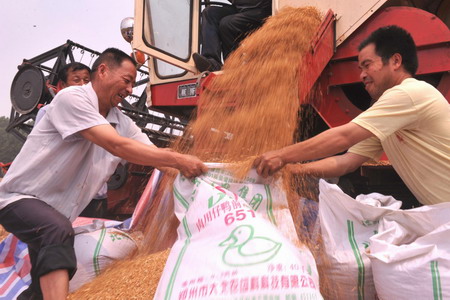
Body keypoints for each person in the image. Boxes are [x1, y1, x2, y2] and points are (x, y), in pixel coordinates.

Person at [0, 48, 207, 300]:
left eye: (133, 82)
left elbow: (155, 157)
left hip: (55, 215)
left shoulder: (122, 122)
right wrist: (178, 158)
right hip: (19, 200)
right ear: (103, 71)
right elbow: (116, 146)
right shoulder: (72, 99)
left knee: (40, 289)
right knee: (57, 232)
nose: (130, 89)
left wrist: (207, 177)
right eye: (127, 80)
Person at [254, 25, 450, 205]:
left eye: (367, 65)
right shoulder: (388, 117)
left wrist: (281, 156)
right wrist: (293, 170)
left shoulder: (409, 93)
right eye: (360, 68)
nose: (361, 75)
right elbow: (346, 162)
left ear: (395, 61)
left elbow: (343, 137)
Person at [193, 0, 272, 72]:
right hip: (241, 11)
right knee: (210, 12)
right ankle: (212, 63)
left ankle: (232, 66)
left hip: (261, 12)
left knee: (227, 24)